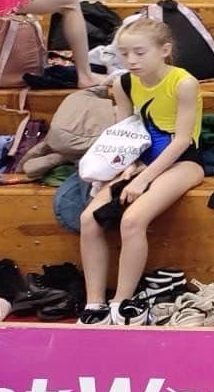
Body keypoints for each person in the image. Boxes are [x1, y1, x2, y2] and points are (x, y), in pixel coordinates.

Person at [78, 18, 205, 325]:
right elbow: (125, 134)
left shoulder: (184, 83)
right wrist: (129, 166)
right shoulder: (123, 83)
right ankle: (94, 303)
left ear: (165, 50)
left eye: (139, 52)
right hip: (140, 161)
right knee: (89, 219)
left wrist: (144, 179)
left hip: (183, 162)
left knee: (133, 220)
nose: (131, 60)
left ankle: (122, 301)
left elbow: (182, 140)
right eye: (124, 54)